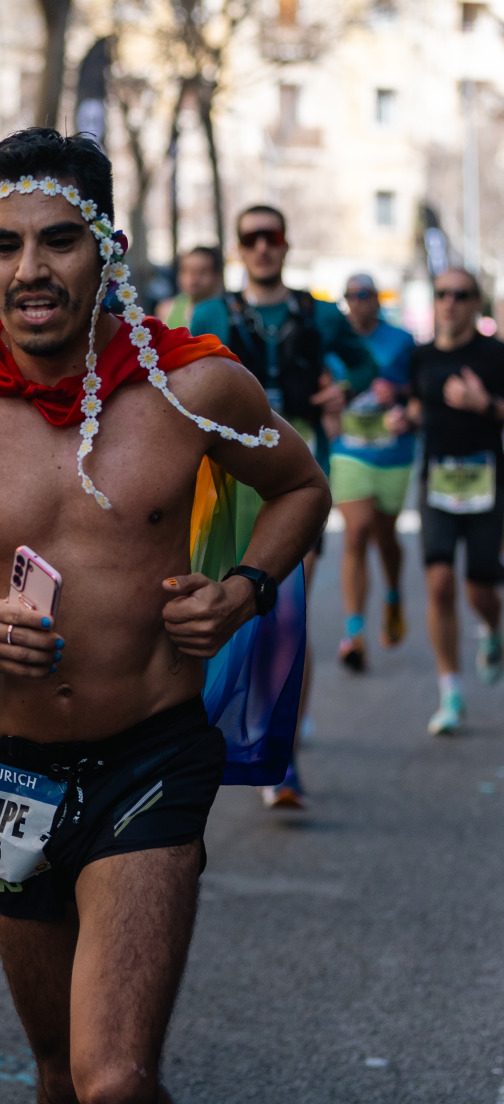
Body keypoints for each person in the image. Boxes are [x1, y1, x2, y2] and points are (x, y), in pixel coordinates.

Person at [0, 127, 331, 1104]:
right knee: (53, 1075)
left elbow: (299, 486)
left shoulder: (190, 384)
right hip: (13, 775)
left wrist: (242, 591)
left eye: (59, 240)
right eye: (4, 246)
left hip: (150, 760)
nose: (29, 270)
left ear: (106, 248)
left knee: (113, 1081)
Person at [193, 204, 376, 807]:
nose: (263, 247)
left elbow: (365, 361)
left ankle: (281, 754)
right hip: (226, 482)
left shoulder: (319, 314)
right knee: (227, 611)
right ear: (240, 248)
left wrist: (341, 390)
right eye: (252, 238)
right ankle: (215, 739)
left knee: (287, 616)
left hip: (296, 477)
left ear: (287, 244)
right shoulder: (212, 313)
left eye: (272, 236)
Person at [395, 267, 504, 735]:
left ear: (476, 302)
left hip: (486, 481)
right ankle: (451, 693)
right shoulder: (420, 357)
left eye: (461, 295)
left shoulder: (495, 355)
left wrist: (485, 406)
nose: (451, 302)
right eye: (442, 294)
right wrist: (407, 417)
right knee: (439, 583)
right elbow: (420, 403)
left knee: (480, 589)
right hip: (437, 481)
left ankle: (493, 630)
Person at [331, 274, 416, 671]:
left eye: (363, 295)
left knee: (386, 536)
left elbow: (420, 389)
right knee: (357, 529)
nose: (356, 302)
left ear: (377, 301)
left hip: (393, 452)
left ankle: (394, 595)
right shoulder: (335, 341)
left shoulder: (400, 340)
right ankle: (354, 633)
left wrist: (398, 396)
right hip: (348, 449)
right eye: (349, 296)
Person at [154, 246, 227, 330]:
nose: (193, 278)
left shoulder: (230, 309)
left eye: (202, 272)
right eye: (186, 271)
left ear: (217, 276)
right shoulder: (166, 310)